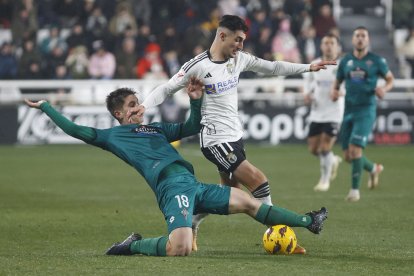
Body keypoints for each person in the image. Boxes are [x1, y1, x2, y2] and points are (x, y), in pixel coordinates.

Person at [24, 78, 328, 257]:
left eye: (137, 103)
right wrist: (47, 106)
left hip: (192, 184)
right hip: (171, 188)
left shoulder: (155, 129)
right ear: (118, 113)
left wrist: (195, 100)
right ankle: (131, 246)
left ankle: (308, 220)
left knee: (248, 201)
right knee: (179, 249)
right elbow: (76, 130)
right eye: (131, 105)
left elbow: (191, 126)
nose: (137, 108)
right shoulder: (112, 137)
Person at [134, 15, 335, 253]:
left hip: (234, 136)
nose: (240, 46)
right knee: (259, 181)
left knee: (230, 194)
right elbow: (167, 88)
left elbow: (272, 67)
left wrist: (308, 67)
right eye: (237, 40)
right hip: (214, 140)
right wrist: (144, 106)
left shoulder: (238, 60)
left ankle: (195, 217)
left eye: (242, 41)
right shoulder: (198, 66)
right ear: (222, 35)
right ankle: (282, 239)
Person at [332, 26, 394, 202]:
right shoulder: (345, 61)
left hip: (366, 109)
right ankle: (373, 169)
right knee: (347, 156)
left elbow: (390, 79)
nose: (360, 39)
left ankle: (354, 191)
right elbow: (337, 82)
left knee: (355, 149)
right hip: (348, 110)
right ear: (353, 40)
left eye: (363, 36)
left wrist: (384, 88)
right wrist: (334, 92)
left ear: (368, 40)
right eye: (357, 36)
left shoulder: (377, 61)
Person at [303, 34, 344, 192]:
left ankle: (324, 181)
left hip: (334, 112)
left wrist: (340, 93)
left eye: (331, 43)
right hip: (317, 111)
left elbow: (347, 87)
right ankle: (333, 160)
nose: (328, 46)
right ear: (321, 46)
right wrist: (307, 94)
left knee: (325, 147)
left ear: (337, 47)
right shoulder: (316, 65)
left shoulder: (342, 66)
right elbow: (307, 82)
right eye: (325, 42)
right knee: (314, 149)